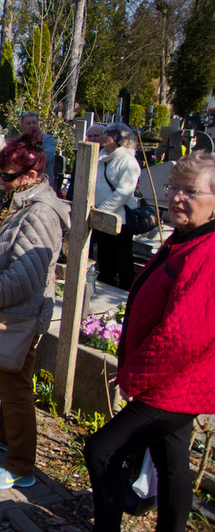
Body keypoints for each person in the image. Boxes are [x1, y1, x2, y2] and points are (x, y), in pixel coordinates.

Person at [84, 152, 215, 531]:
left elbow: (182, 334)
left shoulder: (206, 252)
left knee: (102, 451)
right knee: (171, 466)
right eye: (174, 187)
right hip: (174, 382)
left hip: (174, 384)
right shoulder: (186, 239)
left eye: (191, 191)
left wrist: (134, 377)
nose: (177, 197)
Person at [0, 133, 70, 490]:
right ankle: (7, 438)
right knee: (9, 381)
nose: (2, 183)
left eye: (7, 177)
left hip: (18, 314)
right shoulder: (18, 203)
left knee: (17, 389)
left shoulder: (40, 214)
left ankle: (20, 465)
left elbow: (23, 278)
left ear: (31, 175)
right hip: (6, 311)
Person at [88, 122, 142, 290]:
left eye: (109, 134)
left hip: (121, 221)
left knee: (122, 259)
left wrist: (102, 211)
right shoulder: (102, 157)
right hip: (102, 218)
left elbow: (123, 192)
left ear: (120, 139)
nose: (104, 136)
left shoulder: (127, 161)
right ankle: (106, 287)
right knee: (105, 259)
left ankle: (124, 294)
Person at [20, 111, 57, 190]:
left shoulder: (48, 140)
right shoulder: (19, 143)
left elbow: (45, 158)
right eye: (28, 123)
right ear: (22, 126)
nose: (32, 126)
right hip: (24, 188)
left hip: (43, 187)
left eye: (34, 123)